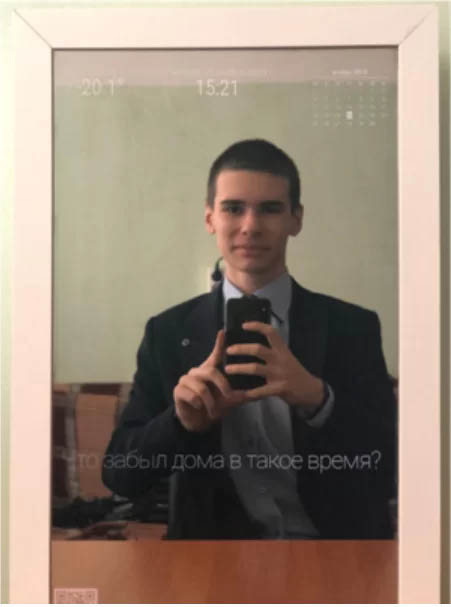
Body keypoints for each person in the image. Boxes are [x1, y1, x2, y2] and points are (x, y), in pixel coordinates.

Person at [102, 139, 396, 540]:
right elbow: (120, 476)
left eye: (270, 209)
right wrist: (180, 422)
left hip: (332, 549)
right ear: (210, 218)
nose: (251, 226)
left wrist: (317, 399)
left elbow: (391, 468)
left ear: (296, 219)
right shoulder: (168, 333)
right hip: (213, 557)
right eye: (233, 208)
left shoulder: (352, 327)